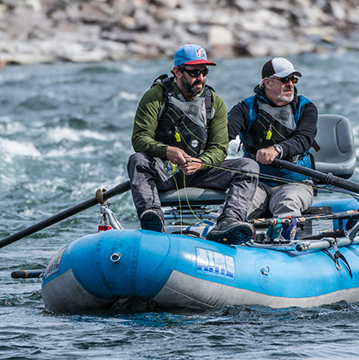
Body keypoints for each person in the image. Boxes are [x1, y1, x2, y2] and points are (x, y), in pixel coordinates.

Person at [127, 44, 259, 244]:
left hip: (202, 172)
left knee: (249, 166)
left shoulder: (215, 102)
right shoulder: (155, 96)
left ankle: (229, 221)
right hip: (166, 171)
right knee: (137, 160)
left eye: (204, 72)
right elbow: (139, 138)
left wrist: (201, 162)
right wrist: (167, 150)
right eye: (194, 72)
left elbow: (220, 148)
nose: (201, 78)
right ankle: (152, 217)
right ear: (177, 72)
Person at [226, 57, 318, 238]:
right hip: (257, 183)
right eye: (285, 80)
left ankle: (285, 246)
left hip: (295, 183)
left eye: (294, 80)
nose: (290, 84)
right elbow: (224, 135)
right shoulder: (245, 108)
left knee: (288, 204)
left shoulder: (306, 108)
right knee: (234, 209)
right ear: (267, 83)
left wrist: (276, 150)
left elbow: (303, 139)